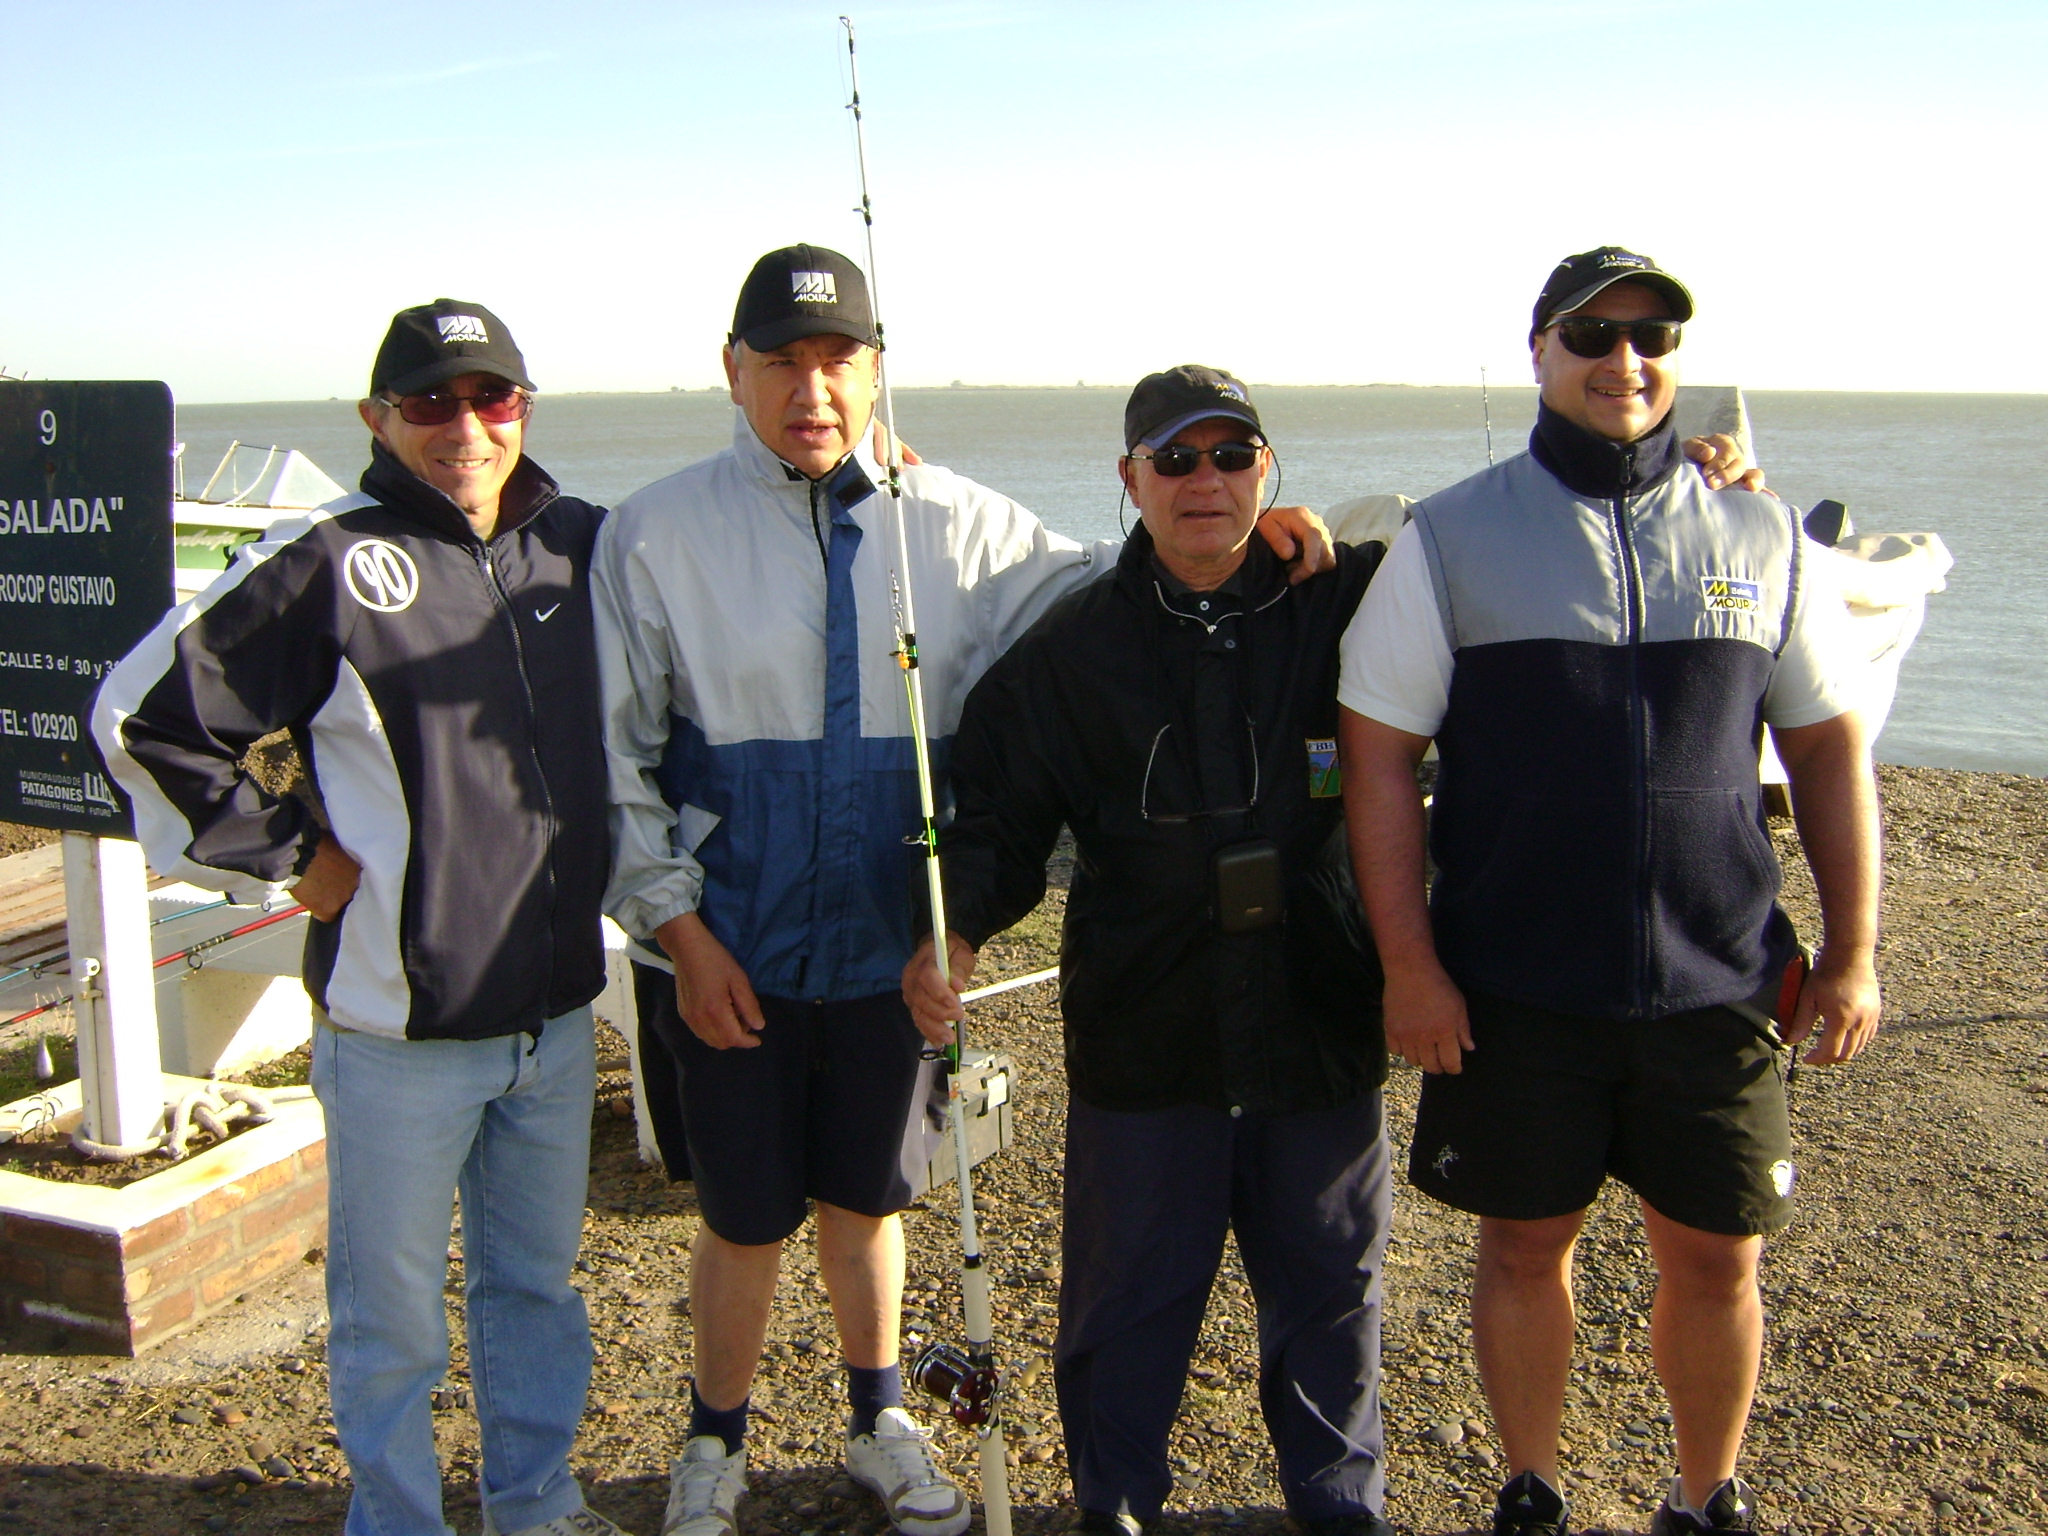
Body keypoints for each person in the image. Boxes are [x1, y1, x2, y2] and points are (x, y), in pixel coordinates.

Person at [593, 249, 1335, 1536]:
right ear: (732, 372)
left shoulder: (965, 524)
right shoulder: (651, 533)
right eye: (781, 362)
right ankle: (712, 1440)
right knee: (741, 1215)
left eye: (838, 362)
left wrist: (1272, 533)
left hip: (886, 944)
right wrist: (673, 925)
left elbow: (1136, 579)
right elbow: (615, 754)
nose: (810, 390)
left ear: (878, 372)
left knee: (869, 1196)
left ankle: (878, 1414)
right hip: (722, 949)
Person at [1338, 247, 1882, 1536]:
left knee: (1716, 1257)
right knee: (1524, 1248)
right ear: (1538, 353)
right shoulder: (1451, 534)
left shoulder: (1758, 533)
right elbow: (1374, 756)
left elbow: (1823, 749)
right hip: (1513, 983)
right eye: (1590, 333)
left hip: (1719, 976)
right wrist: (1408, 966)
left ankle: (1706, 1496)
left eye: (1650, 336)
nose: (1622, 361)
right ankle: (1531, 1489)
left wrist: (1853, 950)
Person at [94, 301, 627, 1536]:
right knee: (389, 1321)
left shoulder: (581, 544)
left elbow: (722, 555)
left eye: (489, 397)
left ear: (523, 411)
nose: (463, 425)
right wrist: (288, 854)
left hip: (550, 1017)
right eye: (429, 400)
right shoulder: (325, 557)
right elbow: (141, 719)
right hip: (395, 1034)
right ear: (375, 420)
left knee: (535, 1294)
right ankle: (394, 1521)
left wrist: (866, 477)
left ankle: (536, 1507)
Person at [902, 366, 1396, 1536]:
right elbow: (995, 816)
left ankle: (1339, 1509)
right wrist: (955, 929)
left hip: (1318, 1020)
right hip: (1144, 1035)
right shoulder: (1069, 651)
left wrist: (1693, 483)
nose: (1204, 482)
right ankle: (1115, 1507)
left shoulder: (1345, 600)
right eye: (1173, 460)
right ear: (1127, 479)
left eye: (1231, 456)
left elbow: (1464, 553)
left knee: (1331, 1295)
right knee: (1124, 1306)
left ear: (1268, 470)